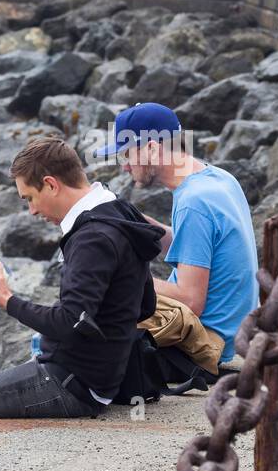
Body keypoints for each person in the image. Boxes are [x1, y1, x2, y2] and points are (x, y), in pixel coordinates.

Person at [0, 137, 164, 437]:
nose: (31, 211)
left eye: (29, 198)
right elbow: (146, 305)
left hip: (72, 384)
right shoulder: (118, 211)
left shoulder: (92, 237)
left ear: (51, 184)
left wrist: (5, 299)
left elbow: (69, 323)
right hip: (102, 377)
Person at [94, 103, 258, 371]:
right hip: (236, 328)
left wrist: (126, 275)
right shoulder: (217, 178)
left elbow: (191, 300)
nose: (124, 167)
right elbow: (202, 246)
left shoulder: (194, 202)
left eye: (126, 154)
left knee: (73, 332)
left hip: (208, 342)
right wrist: (139, 226)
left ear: (151, 149)